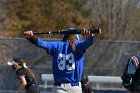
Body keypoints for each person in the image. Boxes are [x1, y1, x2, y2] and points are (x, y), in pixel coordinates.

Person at [24, 28, 95, 93]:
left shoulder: (57, 45)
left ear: (64, 36)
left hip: (59, 87)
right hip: (75, 87)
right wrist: (90, 36)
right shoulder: (79, 45)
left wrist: (31, 37)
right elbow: (89, 42)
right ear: (77, 37)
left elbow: (42, 44)